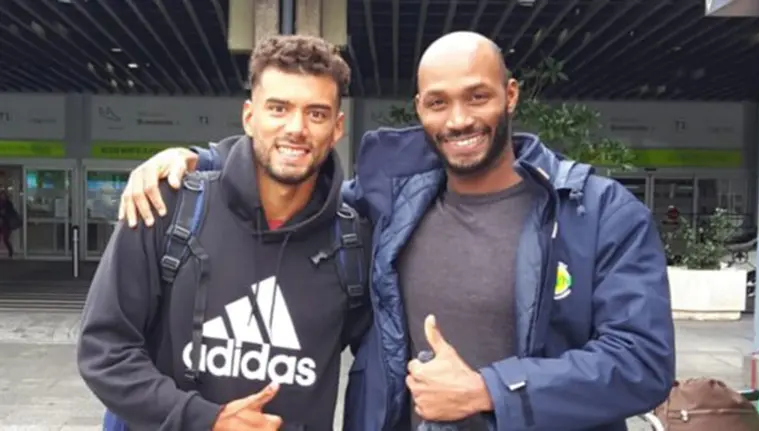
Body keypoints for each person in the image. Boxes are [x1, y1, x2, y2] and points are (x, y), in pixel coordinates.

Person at [118, 31, 675, 431]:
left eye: (477, 96)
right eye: (438, 102)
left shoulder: (598, 214)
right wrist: (200, 160)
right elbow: (292, 175)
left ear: (510, 95)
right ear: (419, 109)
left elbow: (642, 363)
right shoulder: (388, 201)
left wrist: (490, 391)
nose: (457, 119)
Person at [77, 34, 372, 431]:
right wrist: (206, 419)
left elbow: (379, 366)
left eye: (316, 114)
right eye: (279, 108)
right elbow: (104, 350)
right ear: (250, 117)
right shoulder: (167, 207)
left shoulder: (353, 241)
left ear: (337, 128)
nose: (296, 128)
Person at [0, 190, 20, 259]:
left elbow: (10, 212)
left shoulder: (9, 204)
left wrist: (5, 213)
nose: (3, 196)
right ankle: (10, 252)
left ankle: (10, 252)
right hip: (1, 223)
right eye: (2, 195)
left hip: (6, 224)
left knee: (5, 239)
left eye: (4, 195)